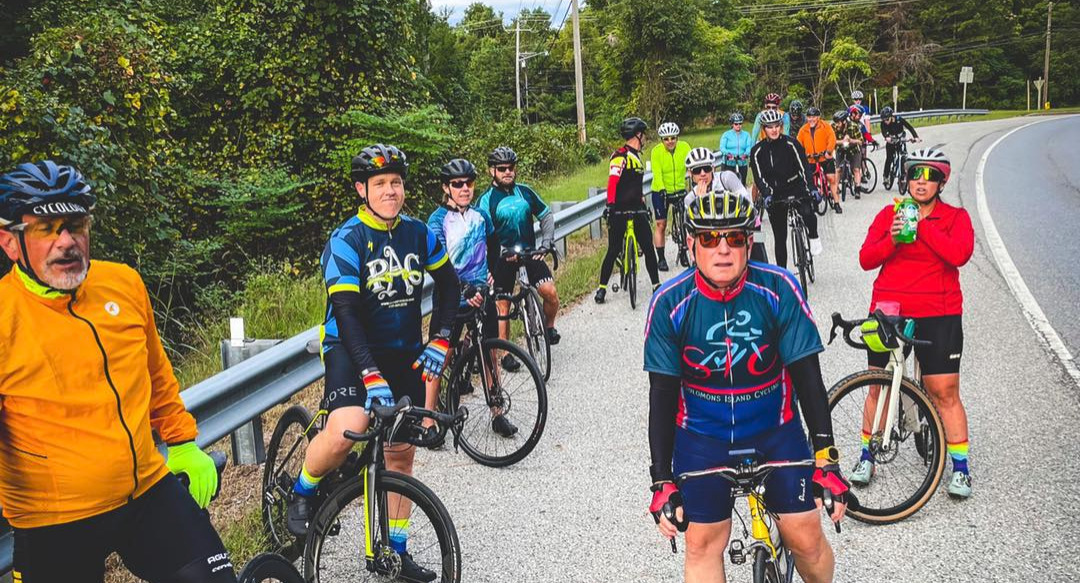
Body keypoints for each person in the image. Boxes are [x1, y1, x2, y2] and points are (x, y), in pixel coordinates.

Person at [0, 161, 236, 582]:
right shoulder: (5, 316)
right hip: (54, 520)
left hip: (147, 491)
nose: (66, 242)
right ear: (10, 243)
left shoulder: (123, 283)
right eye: (46, 229)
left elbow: (156, 373)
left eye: (76, 226)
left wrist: (182, 442)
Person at [645, 189, 849, 583]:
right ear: (690, 243)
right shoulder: (669, 303)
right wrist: (661, 480)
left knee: (805, 539)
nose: (723, 249)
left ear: (749, 243)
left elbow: (808, 378)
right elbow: (663, 397)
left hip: (776, 432)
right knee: (702, 544)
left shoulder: (779, 288)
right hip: (703, 440)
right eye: (709, 238)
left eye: (735, 237)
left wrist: (827, 459)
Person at [287, 144, 460, 582]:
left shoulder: (418, 233)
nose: (390, 191)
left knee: (401, 452)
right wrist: (368, 373)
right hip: (350, 348)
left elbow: (450, 286)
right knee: (348, 429)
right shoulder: (345, 240)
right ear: (361, 189)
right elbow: (346, 314)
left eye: (396, 183)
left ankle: (396, 553)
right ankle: (302, 488)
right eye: (380, 183)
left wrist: (441, 339)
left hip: (402, 349)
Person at [857, 148, 975, 499]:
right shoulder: (888, 214)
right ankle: (866, 457)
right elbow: (866, 259)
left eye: (930, 176)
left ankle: (961, 469)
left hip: (938, 311)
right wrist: (893, 238)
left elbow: (959, 254)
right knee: (877, 386)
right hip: (889, 309)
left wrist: (922, 227)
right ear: (906, 179)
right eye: (915, 175)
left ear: (941, 182)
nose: (921, 182)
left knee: (944, 392)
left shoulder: (955, 217)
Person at [426, 159, 518, 438]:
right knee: (440, 357)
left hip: (482, 295)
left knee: (489, 352)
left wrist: (490, 273)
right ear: (446, 188)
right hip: (451, 300)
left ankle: (497, 412)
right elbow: (439, 265)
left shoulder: (480, 216)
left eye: (469, 183)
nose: (465, 188)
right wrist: (464, 287)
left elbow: (493, 244)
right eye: (457, 184)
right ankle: (428, 421)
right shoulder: (437, 221)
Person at [477, 146, 560, 372]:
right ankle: (505, 354)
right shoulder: (486, 200)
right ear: (491, 171)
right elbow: (480, 233)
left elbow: (546, 215)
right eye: (502, 168)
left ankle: (549, 327)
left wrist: (547, 242)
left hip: (529, 253)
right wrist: (492, 257)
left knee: (550, 292)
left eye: (511, 167)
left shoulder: (524, 192)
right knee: (502, 305)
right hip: (502, 257)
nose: (507, 172)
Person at [594, 117, 661, 304]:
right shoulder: (620, 156)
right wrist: (610, 206)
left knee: (648, 248)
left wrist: (642, 201)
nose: (645, 138)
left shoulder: (637, 157)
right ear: (638, 135)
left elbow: (635, 186)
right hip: (619, 209)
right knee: (613, 249)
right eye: (643, 134)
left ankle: (656, 285)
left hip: (637, 208)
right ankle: (602, 288)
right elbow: (612, 183)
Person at [751, 109, 822, 267]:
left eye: (777, 126)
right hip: (775, 193)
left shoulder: (791, 144)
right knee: (780, 236)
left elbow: (804, 167)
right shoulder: (757, 151)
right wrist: (767, 194)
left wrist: (812, 188)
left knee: (807, 212)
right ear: (764, 129)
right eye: (770, 127)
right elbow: (759, 177)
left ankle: (813, 235)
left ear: (781, 126)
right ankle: (781, 273)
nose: (774, 130)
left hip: (795, 186)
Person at [683, 147, 768, 264]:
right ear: (690, 173)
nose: (703, 174)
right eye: (697, 170)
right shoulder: (689, 199)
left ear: (713, 168)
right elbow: (693, 232)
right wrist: (700, 201)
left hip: (747, 224)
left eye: (707, 169)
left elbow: (747, 203)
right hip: (716, 234)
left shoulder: (727, 178)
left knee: (759, 256)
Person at [650, 122, 692, 271]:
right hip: (660, 190)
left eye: (673, 138)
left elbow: (691, 166)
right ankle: (661, 258)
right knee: (661, 224)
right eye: (666, 139)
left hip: (679, 189)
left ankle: (683, 251)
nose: (670, 141)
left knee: (685, 222)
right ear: (662, 140)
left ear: (677, 138)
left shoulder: (684, 147)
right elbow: (657, 173)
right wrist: (662, 189)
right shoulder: (656, 151)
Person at [797, 106, 842, 213]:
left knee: (831, 178)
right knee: (810, 181)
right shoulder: (803, 130)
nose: (811, 119)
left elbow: (832, 138)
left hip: (825, 157)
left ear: (818, 117)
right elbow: (798, 144)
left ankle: (836, 203)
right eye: (809, 117)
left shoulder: (825, 126)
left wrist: (829, 151)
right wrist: (802, 155)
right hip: (810, 159)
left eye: (813, 117)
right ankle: (814, 201)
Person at [878, 106, 921, 182]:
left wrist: (916, 137)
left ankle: (903, 175)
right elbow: (884, 131)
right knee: (889, 158)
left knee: (904, 156)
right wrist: (887, 137)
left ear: (891, 117)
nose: (886, 121)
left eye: (887, 119)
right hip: (891, 141)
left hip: (901, 139)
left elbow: (909, 127)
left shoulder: (899, 120)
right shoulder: (883, 124)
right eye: (884, 120)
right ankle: (886, 176)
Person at [832, 108, 865, 197]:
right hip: (840, 149)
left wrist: (851, 140)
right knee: (838, 169)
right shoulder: (833, 127)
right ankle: (836, 188)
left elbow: (861, 141)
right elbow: (831, 141)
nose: (837, 125)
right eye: (835, 123)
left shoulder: (853, 126)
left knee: (856, 169)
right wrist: (842, 141)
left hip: (853, 149)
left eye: (838, 123)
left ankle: (857, 189)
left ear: (844, 122)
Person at [718, 113, 752, 184]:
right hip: (728, 163)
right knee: (727, 184)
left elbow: (749, 146)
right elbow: (722, 147)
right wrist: (728, 153)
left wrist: (746, 154)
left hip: (742, 163)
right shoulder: (726, 134)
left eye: (740, 124)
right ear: (732, 124)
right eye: (736, 124)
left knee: (742, 183)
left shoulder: (746, 135)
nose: (738, 126)